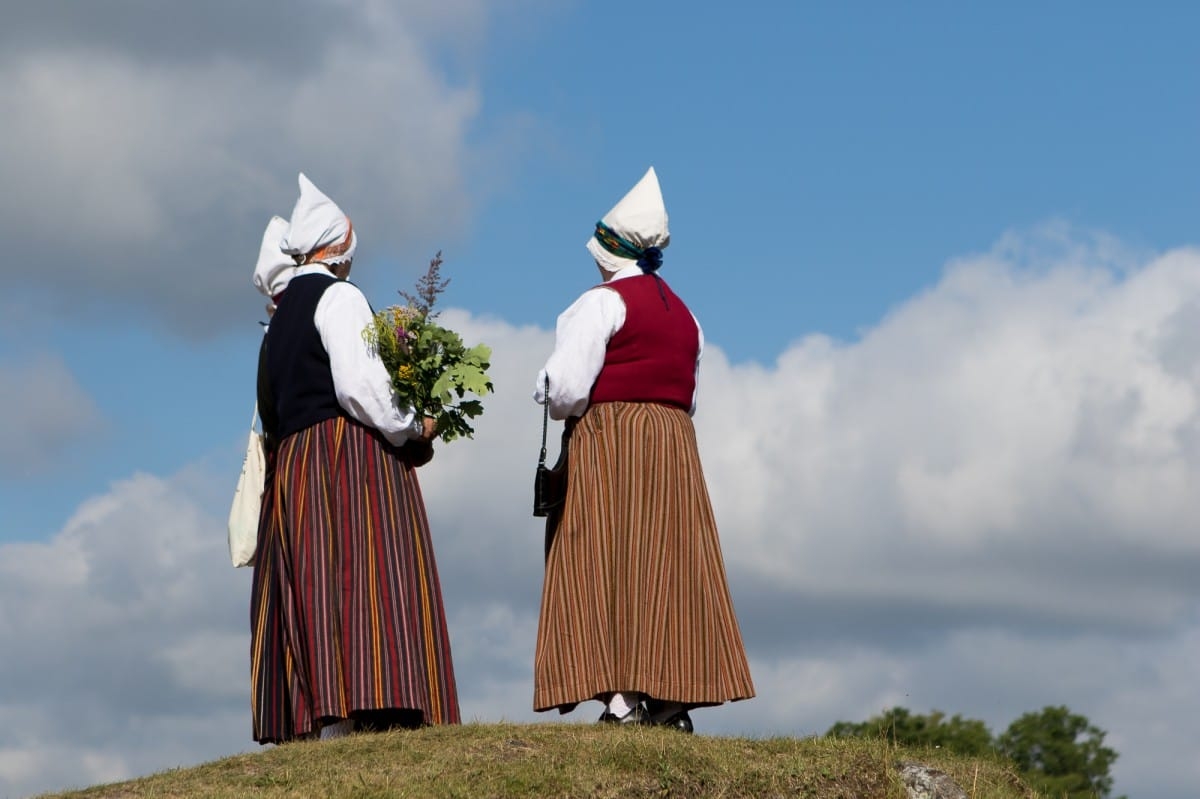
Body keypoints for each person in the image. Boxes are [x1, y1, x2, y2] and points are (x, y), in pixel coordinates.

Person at [532, 167, 755, 732]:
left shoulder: (599, 304)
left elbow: (566, 391)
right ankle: (672, 703)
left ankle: (622, 703)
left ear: (608, 252)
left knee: (603, 557)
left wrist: (543, 387)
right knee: (666, 563)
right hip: (674, 445)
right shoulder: (687, 315)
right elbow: (691, 396)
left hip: (611, 441)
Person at [249, 174, 459, 743]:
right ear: (340, 248)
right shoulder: (338, 297)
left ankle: (329, 713)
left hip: (295, 464)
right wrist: (416, 426)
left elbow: (271, 406)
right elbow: (363, 391)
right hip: (346, 458)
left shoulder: (277, 322)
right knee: (365, 571)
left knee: (316, 580)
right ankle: (374, 703)